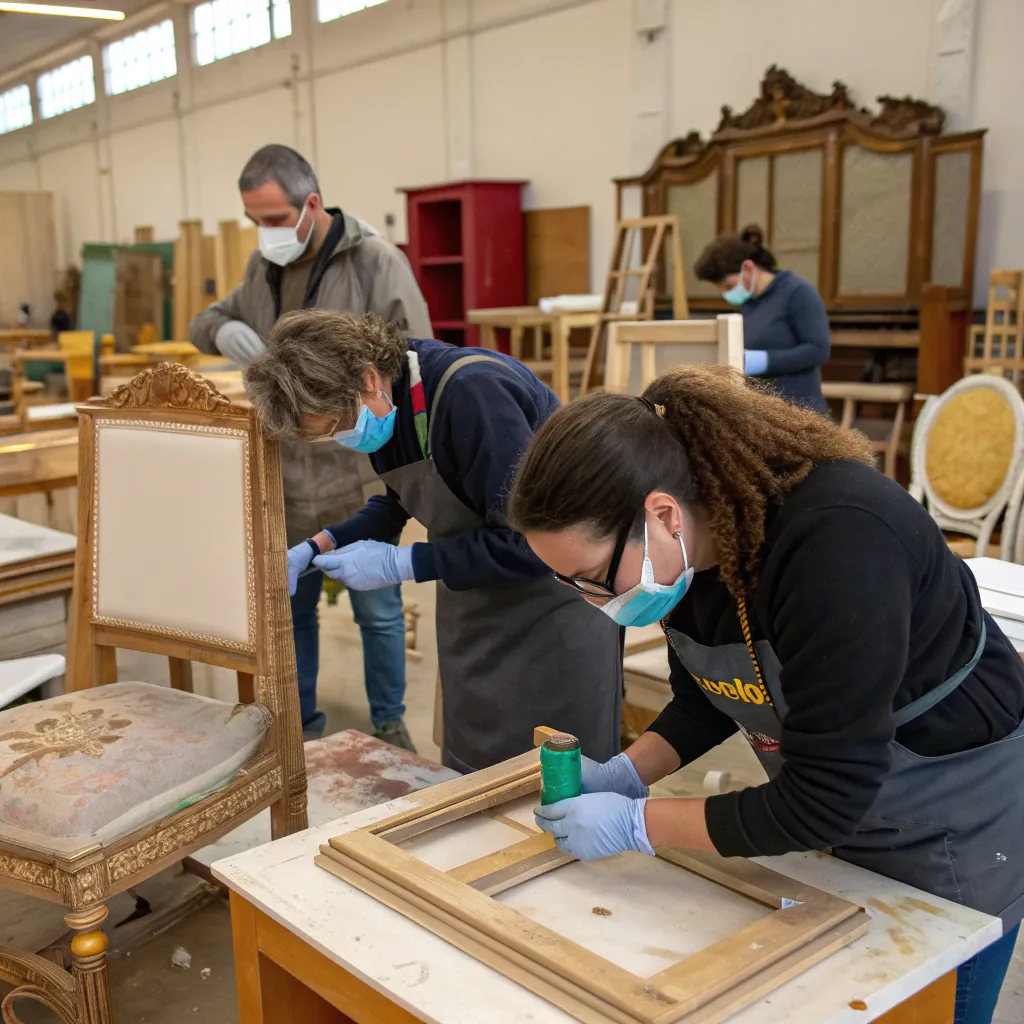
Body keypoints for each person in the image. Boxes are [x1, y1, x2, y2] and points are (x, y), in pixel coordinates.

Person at [506, 366, 1024, 1024]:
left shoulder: (838, 544)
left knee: (928, 1006)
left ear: (661, 515)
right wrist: (628, 772)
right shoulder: (689, 548)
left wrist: (635, 825)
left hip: (953, 808)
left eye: (592, 579)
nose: (594, 603)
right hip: (843, 802)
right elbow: (708, 697)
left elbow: (821, 801)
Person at [243, 309, 623, 773]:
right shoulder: (390, 404)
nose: (342, 438)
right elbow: (396, 502)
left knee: (556, 783)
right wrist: (318, 545)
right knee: (477, 779)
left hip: (554, 609)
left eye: (336, 425)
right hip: (477, 607)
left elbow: (531, 545)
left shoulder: (475, 394)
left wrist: (403, 564)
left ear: (367, 378)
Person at [191, 144, 432, 748]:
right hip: (286, 474)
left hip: (357, 469)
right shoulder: (261, 270)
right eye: (255, 222)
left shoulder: (374, 262)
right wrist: (224, 328)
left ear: (312, 204)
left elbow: (417, 353)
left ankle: (388, 724)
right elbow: (201, 323)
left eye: (274, 220)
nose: (265, 233)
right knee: (290, 604)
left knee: (376, 609)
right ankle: (299, 721)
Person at [694, 225, 829, 413]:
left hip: (799, 411)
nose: (725, 293)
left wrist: (764, 361)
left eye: (728, 285)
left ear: (748, 268)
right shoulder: (749, 301)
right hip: (761, 411)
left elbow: (819, 350)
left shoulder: (798, 292)